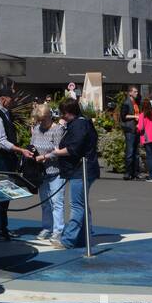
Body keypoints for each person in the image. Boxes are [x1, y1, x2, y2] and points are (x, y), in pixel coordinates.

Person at [0, 85, 33, 241]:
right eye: (11, 99)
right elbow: (2, 142)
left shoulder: (6, 113)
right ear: (2, 98)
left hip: (6, 159)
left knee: (5, 196)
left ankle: (3, 228)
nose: (12, 102)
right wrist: (20, 150)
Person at [50, 98, 98, 249]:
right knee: (81, 204)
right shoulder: (84, 122)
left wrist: (58, 152)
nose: (62, 117)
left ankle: (68, 240)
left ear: (69, 113)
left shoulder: (78, 125)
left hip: (80, 169)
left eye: (63, 114)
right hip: (84, 168)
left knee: (77, 205)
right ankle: (84, 237)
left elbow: (74, 148)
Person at [29, 103, 66, 247]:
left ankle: (58, 231)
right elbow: (32, 145)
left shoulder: (57, 130)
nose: (41, 123)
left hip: (55, 171)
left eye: (43, 120)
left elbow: (58, 152)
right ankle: (47, 227)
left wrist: (44, 157)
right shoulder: (37, 129)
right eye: (39, 120)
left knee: (57, 202)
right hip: (41, 172)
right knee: (45, 203)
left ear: (49, 117)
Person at [118, 87, 141, 180]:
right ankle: (127, 173)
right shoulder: (126, 103)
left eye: (137, 91)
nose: (137, 93)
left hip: (136, 129)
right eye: (135, 92)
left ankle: (135, 173)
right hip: (129, 129)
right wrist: (135, 116)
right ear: (130, 93)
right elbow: (123, 116)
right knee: (130, 151)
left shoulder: (136, 103)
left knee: (136, 152)